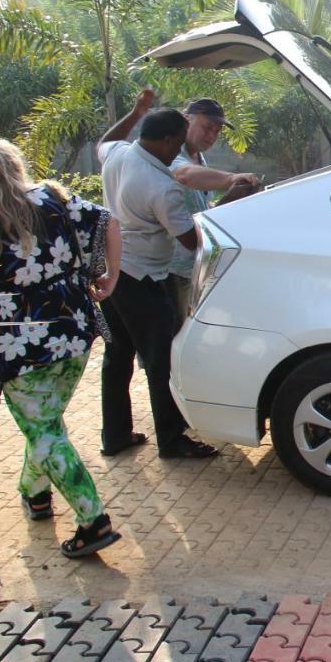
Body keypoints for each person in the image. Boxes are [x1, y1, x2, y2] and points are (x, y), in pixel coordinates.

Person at [0, 135, 123, 557]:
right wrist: (110, 278)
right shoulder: (52, 197)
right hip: (73, 331)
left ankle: (93, 521)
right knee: (45, 424)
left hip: (18, 345)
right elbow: (109, 222)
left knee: (42, 429)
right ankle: (35, 494)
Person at [97, 91, 217, 459]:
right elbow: (188, 241)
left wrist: (135, 112)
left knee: (117, 354)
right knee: (162, 358)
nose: (178, 151)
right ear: (165, 141)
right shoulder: (161, 186)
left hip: (112, 272)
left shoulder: (120, 154)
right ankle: (171, 439)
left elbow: (105, 141)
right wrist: (230, 205)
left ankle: (115, 435)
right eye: (177, 144)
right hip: (143, 278)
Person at [164, 98, 261, 325]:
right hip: (172, 267)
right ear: (186, 120)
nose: (211, 136)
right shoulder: (171, 154)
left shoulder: (199, 158)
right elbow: (184, 175)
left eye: (216, 131)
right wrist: (231, 179)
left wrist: (229, 200)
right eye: (207, 127)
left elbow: (200, 210)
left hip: (194, 264)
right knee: (171, 336)